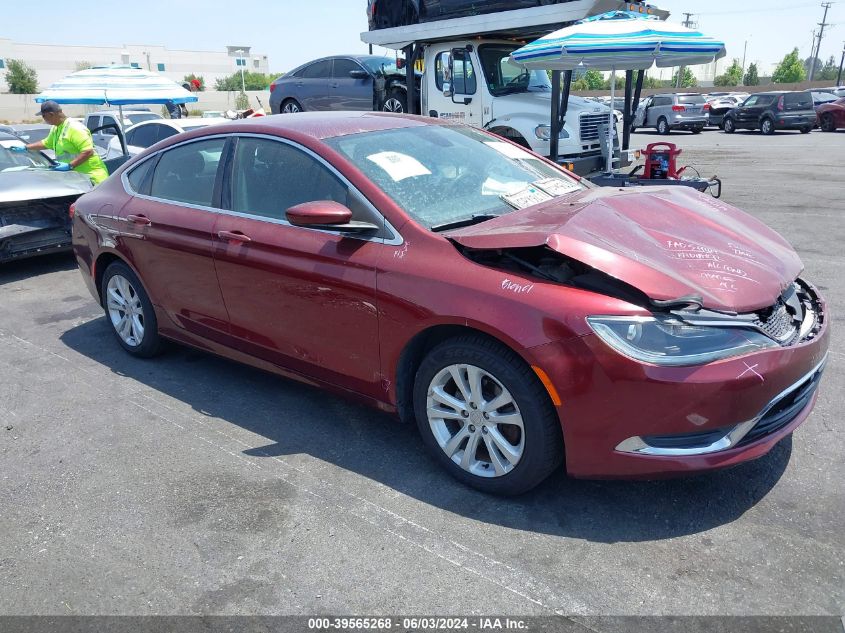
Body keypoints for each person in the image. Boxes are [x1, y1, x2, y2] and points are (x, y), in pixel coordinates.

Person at [14, 101, 108, 185]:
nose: (44, 119)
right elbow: (46, 143)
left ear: (51, 114)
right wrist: (26, 147)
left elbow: (88, 151)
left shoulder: (75, 128)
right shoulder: (56, 128)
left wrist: (70, 165)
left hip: (93, 179)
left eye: (44, 116)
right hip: (78, 179)